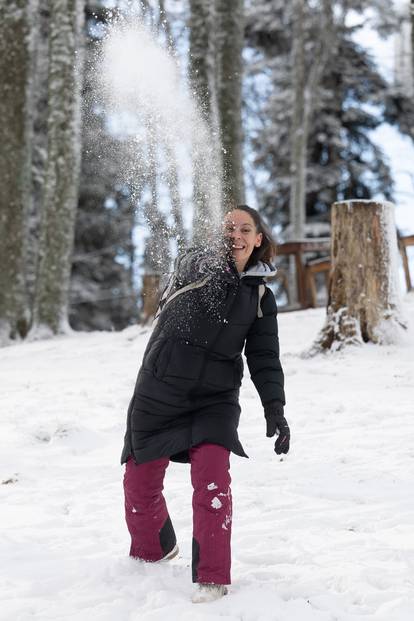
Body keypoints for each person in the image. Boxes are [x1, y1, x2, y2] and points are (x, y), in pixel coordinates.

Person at [121, 204, 290, 604]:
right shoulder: (197, 264)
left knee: (213, 482)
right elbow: (188, 264)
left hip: (213, 399)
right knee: (138, 482)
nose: (236, 235)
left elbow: (265, 358)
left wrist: (275, 410)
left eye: (245, 229)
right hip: (159, 388)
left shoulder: (261, 296)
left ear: (259, 239)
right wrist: (215, 264)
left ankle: (213, 577)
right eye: (229, 228)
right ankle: (152, 551)